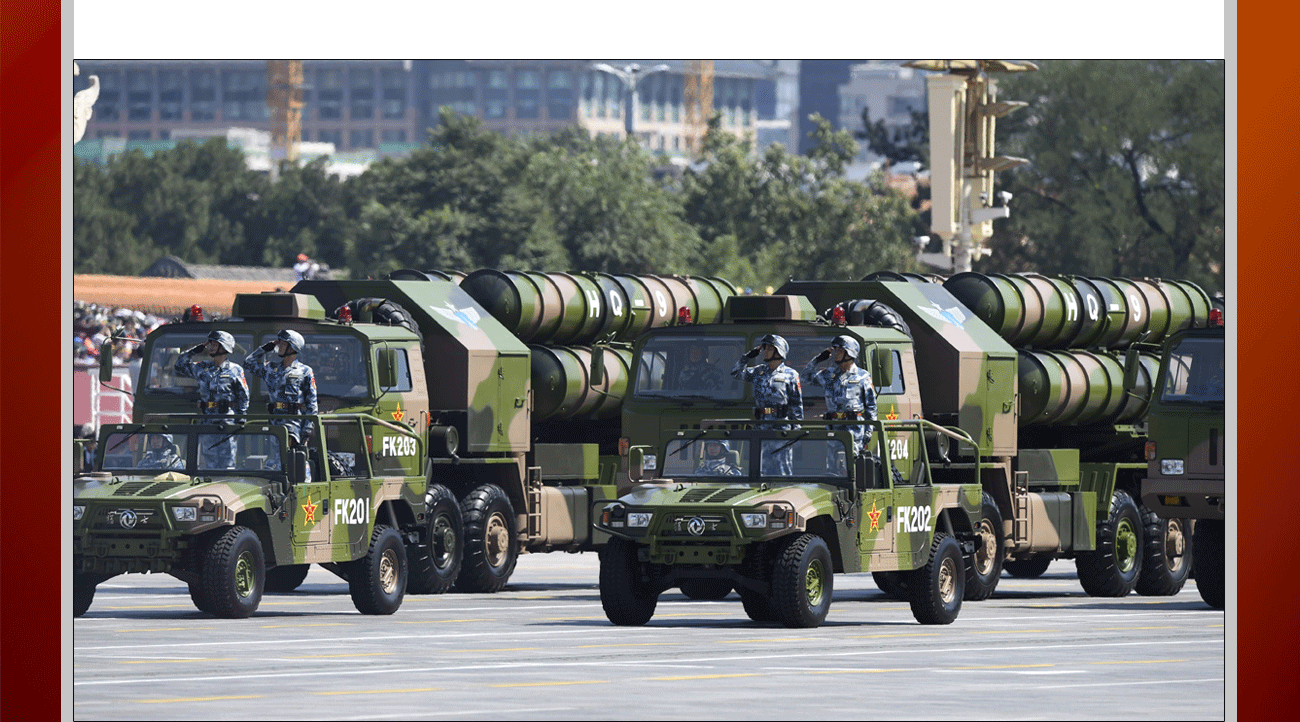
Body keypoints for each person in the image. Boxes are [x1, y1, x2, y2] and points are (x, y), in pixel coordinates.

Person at [244, 329, 318, 480]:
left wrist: (307, 429)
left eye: (284, 344)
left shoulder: (304, 371)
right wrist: (266, 347)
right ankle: (280, 483)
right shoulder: (271, 369)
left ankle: (302, 483)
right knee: (278, 457)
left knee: (294, 456)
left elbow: (312, 403)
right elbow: (248, 363)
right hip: (274, 420)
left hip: (293, 422)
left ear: (293, 347)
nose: (280, 346)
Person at [176, 330, 250, 469]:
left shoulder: (235, 370)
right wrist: (196, 350)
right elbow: (179, 365)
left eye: (216, 344)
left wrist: (240, 420)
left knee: (227, 464)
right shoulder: (202, 367)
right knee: (210, 463)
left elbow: (243, 397)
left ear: (225, 347)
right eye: (212, 344)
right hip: (208, 420)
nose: (211, 347)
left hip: (227, 422)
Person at [731, 333, 803, 475]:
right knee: (760, 471)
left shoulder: (790, 375)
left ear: (779, 351)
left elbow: (796, 405)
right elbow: (735, 373)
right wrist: (748, 356)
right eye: (765, 349)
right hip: (761, 427)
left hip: (782, 429)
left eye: (769, 349)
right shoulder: (758, 372)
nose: (765, 352)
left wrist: (796, 433)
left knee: (782, 472)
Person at [801, 335, 877, 458]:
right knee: (833, 467)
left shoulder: (863, 377)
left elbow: (871, 406)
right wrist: (818, 359)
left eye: (840, 351)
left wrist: (869, 430)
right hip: (833, 428)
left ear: (849, 354)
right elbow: (804, 376)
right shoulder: (828, 375)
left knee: (852, 466)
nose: (836, 353)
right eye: (836, 350)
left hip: (854, 430)